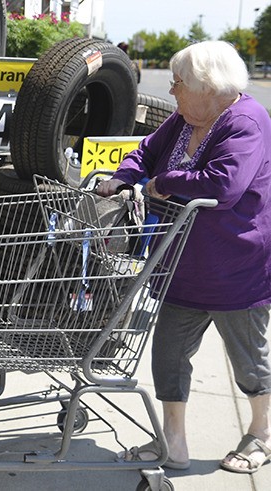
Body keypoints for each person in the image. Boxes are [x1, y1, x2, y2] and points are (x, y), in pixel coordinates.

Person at [98, 40, 271, 474]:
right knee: (169, 357)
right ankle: (173, 445)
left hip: (236, 269)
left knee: (250, 363)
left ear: (209, 87)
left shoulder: (246, 120)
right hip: (180, 264)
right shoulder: (181, 119)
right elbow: (145, 151)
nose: (173, 91)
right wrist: (124, 178)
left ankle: (262, 433)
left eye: (179, 83)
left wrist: (163, 182)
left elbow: (224, 186)